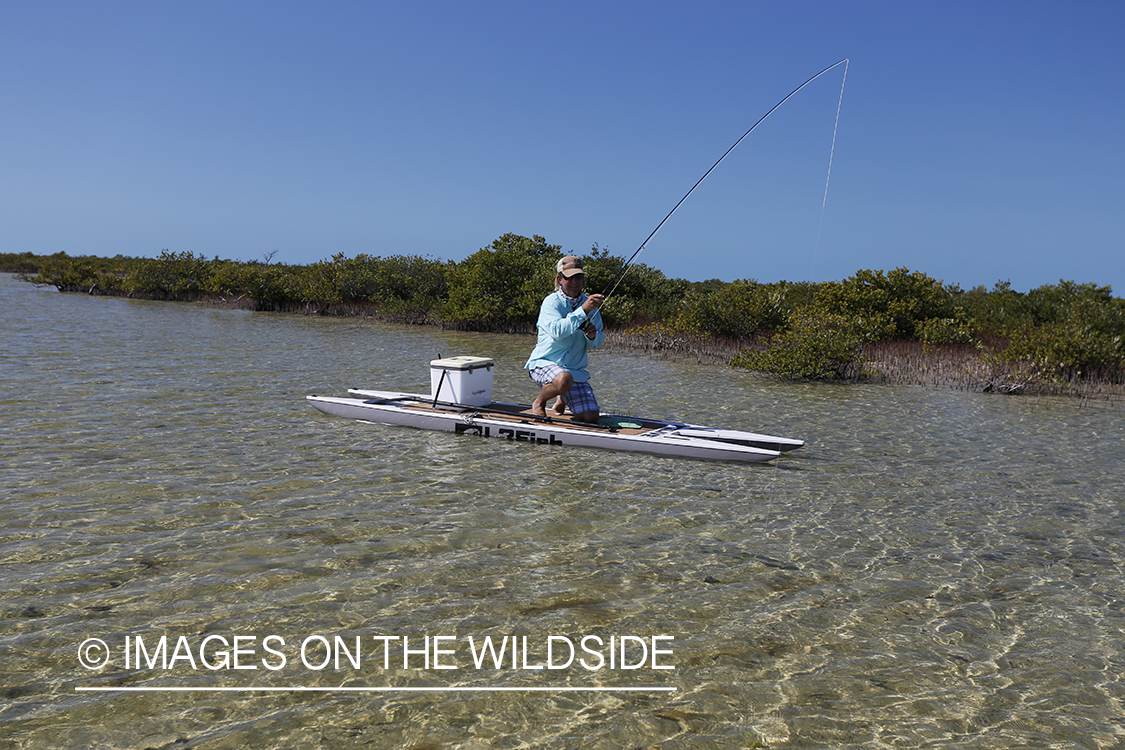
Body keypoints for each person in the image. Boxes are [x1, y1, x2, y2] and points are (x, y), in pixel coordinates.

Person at [524, 255, 605, 423]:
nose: (575, 282)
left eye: (579, 277)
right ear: (560, 279)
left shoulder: (590, 303)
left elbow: (598, 343)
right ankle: (539, 402)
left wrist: (592, 336)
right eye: (570, 278)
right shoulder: (551, 303)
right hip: (545, 363)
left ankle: (562, 398)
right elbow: (558, 332)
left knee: (590, 418)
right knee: (564, 379)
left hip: (575, 370)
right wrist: (583, 311)